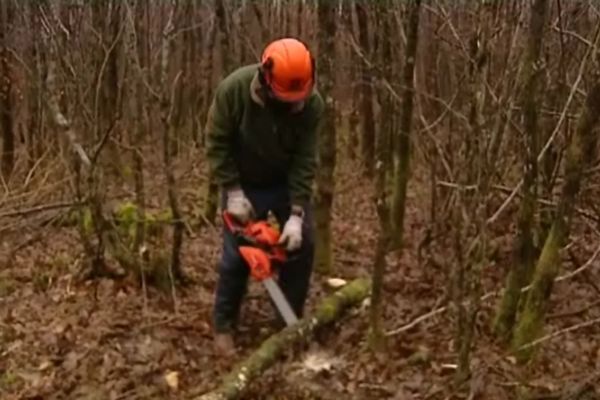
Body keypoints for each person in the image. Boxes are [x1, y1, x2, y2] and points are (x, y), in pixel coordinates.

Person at [205, 37, 324, 356]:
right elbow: (216, 144)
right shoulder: (234, 91)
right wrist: (232, 191)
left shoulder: (312, 104)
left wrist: (296, 215)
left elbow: (305, 159)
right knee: (237, 257)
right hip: (243, 181)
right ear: (266, 78)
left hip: (285, 182)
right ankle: (224, 325)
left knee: (303, 245)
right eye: (287, 98)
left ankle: (288, 323)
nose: (293, 105)